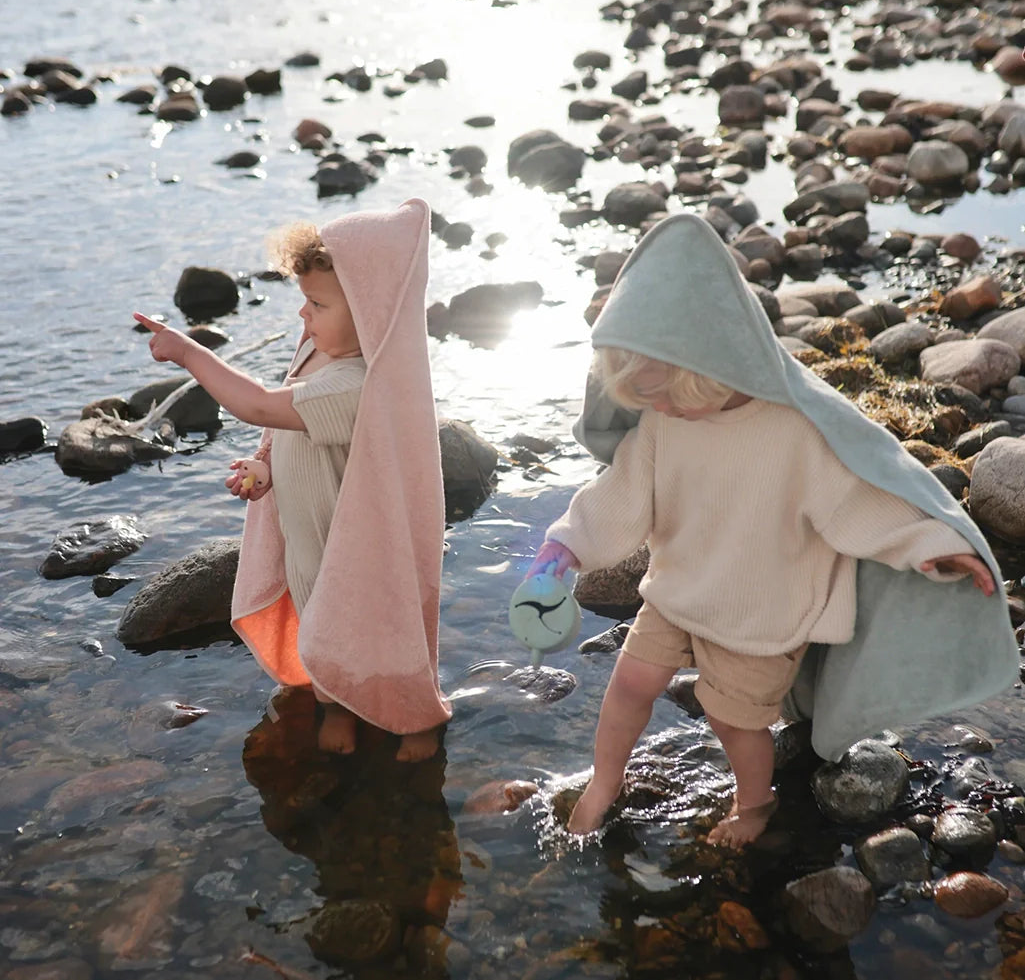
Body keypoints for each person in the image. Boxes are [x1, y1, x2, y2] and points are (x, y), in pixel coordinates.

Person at [527, 212, 1018, 847]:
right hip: (678, 588)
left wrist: (933, 547)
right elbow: (620, 495)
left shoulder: (795, 430)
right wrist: (566, 544)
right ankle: (603, 781)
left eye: (668, 395)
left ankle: (753, 803)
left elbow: (860, 501)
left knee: (736, 724)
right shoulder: (663, 425)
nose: (662, 410)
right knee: (628, 686)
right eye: (647, 402)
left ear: (711, 364)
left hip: (764, 608)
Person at [136, 198, 451, 761]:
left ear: (371, 313)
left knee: (385, 641)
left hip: (353, 550)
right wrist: (266, 469)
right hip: (309, 543)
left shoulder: (358, 384)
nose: (302, 316)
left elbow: (258, 406)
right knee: (318, 633)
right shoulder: (320, 357)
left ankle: (417, 718)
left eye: (316, 303)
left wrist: (190, 353)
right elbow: (295, 434)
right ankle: (336, 705)